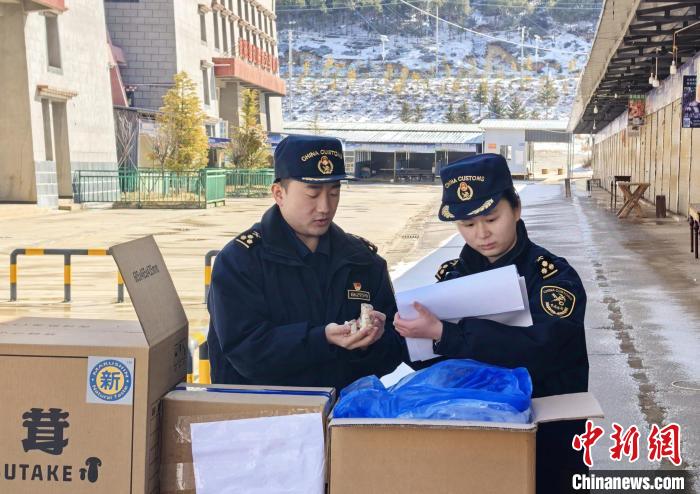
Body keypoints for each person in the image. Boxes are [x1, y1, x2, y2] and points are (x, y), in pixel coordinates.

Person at [393, 153, 589, 494]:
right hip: (475, 433)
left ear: (516, 209)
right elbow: (431, 362)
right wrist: (404, 332)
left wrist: (446, 334)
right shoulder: (452, 278)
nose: (482, 234)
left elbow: (541, 349)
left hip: (547, 433)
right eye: (468, 225)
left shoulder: (553, 277)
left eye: (491, 218)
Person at [207, 134, 404, 391]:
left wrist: (369, 344)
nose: (325, 207)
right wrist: (321, 339)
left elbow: (394, 350)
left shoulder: (363, 261)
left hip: (344, 411)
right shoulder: (240, 262)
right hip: (261, 411)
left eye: (334, 192)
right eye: (312, 194)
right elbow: (246, 352)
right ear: (279, 193)